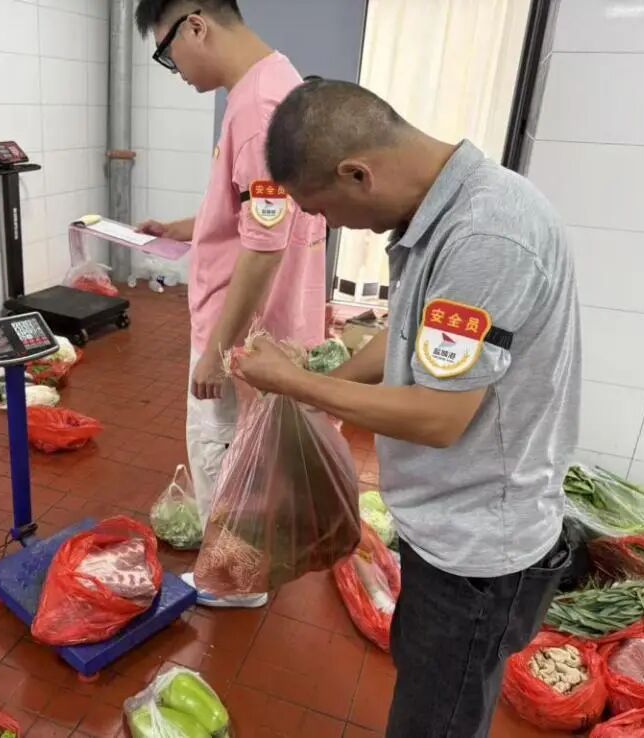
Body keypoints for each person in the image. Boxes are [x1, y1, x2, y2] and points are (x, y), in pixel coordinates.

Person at [235, 79, 582, 738]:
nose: (335, 227)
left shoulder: (487, 236)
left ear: (357, 174)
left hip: (478, 551)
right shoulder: (440, 218)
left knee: (435, 721)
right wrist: (318, 372)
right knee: (431, 694)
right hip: (448, 526)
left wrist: (295, 385)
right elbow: (408, 334)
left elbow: (437, 417)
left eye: (326, 210)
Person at [134, 0, 327, 608]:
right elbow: (252, 213)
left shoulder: (257, 107)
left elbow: (265, 246)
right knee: (249, 456)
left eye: (167, 54)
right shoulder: (274, 84)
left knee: (226, 454)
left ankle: (234, 582)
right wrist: (188, 226)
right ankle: (243, 565)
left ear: (196, 25)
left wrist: (217, 353)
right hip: (263, 321)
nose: (175, 70)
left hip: (242, 330)